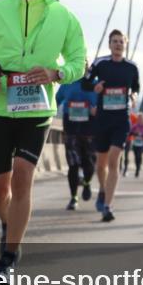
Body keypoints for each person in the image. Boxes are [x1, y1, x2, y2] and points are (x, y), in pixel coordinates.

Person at [0, 0, 86, 277]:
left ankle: (9, 257)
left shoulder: (64, 16)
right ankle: (11, 225)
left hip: (36, 109)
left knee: (22, 178)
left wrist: (56, 73)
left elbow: (79, 61)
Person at [84, 30, 139, 223]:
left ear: (125, 44)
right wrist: (95, 88)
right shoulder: (100, 63)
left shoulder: (132, 67)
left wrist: (133, 97)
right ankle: (102, 190)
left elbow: (136, 88)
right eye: (114, 41)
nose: (118, 44)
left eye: (121, 42)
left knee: (114, 161)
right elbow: (85, 83)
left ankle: (108, 205)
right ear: (109, 44)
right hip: (102, 119)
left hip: (121, 120)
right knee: (101, 164)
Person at [56, 78, 97, 210]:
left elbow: (103, 104)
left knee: (89, 163)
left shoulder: (95, 84)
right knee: (73, 165)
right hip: (71, 128)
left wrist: (97, 111)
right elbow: (56, 101)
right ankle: (73, 197)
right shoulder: (67, 84)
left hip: (89, 128)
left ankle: (86, 183)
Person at [128, 112, 143, 177]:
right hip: (135, 143)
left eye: (141, 118)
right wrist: (135, 133)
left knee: (139, 156)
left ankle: (138, 169)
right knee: (136, 156)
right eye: (139, 118)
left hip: (141, 144)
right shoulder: (135, 126)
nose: (140, 119)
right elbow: (130, 133)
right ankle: (137, 167)